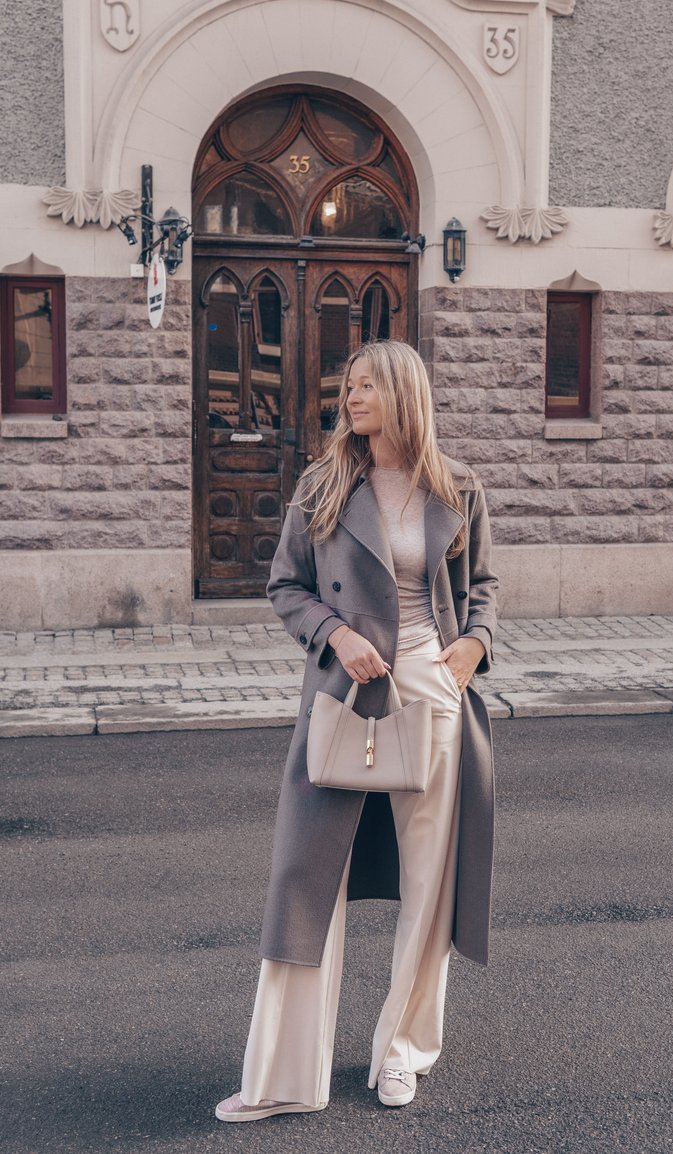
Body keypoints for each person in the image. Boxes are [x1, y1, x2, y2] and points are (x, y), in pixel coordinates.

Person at [215, 339, 498, 1122]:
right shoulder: (326, 482)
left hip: (433, 695)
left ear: (404, 393)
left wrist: (471, 649)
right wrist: (336, 634)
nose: (352, 397)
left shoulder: (457, 486)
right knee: (306, 882)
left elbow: (483, 589)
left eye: (368, 384)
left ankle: (401, 1053)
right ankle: (282, 1075)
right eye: (350, 385)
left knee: (427, 888)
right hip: (345, 693)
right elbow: (285, 584)